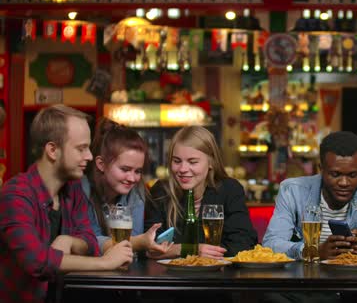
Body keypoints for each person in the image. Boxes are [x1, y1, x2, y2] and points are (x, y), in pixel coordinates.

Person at [0, 105, 133, 303]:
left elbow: (89, 241)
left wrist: (69, 240)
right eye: (81, 148)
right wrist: (106, 262)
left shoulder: (73, 189)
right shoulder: (15, 195)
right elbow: (36, 261)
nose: (89, 156)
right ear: (53, 150)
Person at [263, 131, 357, 261]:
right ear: (321, 169)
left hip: (355, 279)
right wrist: (312, 251)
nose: (344, 183)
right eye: (335, 174)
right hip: (306, 279)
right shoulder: (292, 191)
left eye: (352, 175)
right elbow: (271, 244)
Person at [144, 126, 257, 259]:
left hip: (219, 277)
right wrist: (192, 250)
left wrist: (175, 249)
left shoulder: (230, 189)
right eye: (176, 161)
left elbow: (242, 245)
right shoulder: (161, 191)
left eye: (192, 162)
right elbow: (150, 248)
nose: (183, 169)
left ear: (211, 162)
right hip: (171, 277)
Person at [82, 118, 172, 255]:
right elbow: (89, 244)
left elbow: (132, 248)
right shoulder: (82, 189)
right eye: (125, 169)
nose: (132, 178)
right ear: (101, 164)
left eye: (138, 171)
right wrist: (140, 243)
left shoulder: (136, 191)